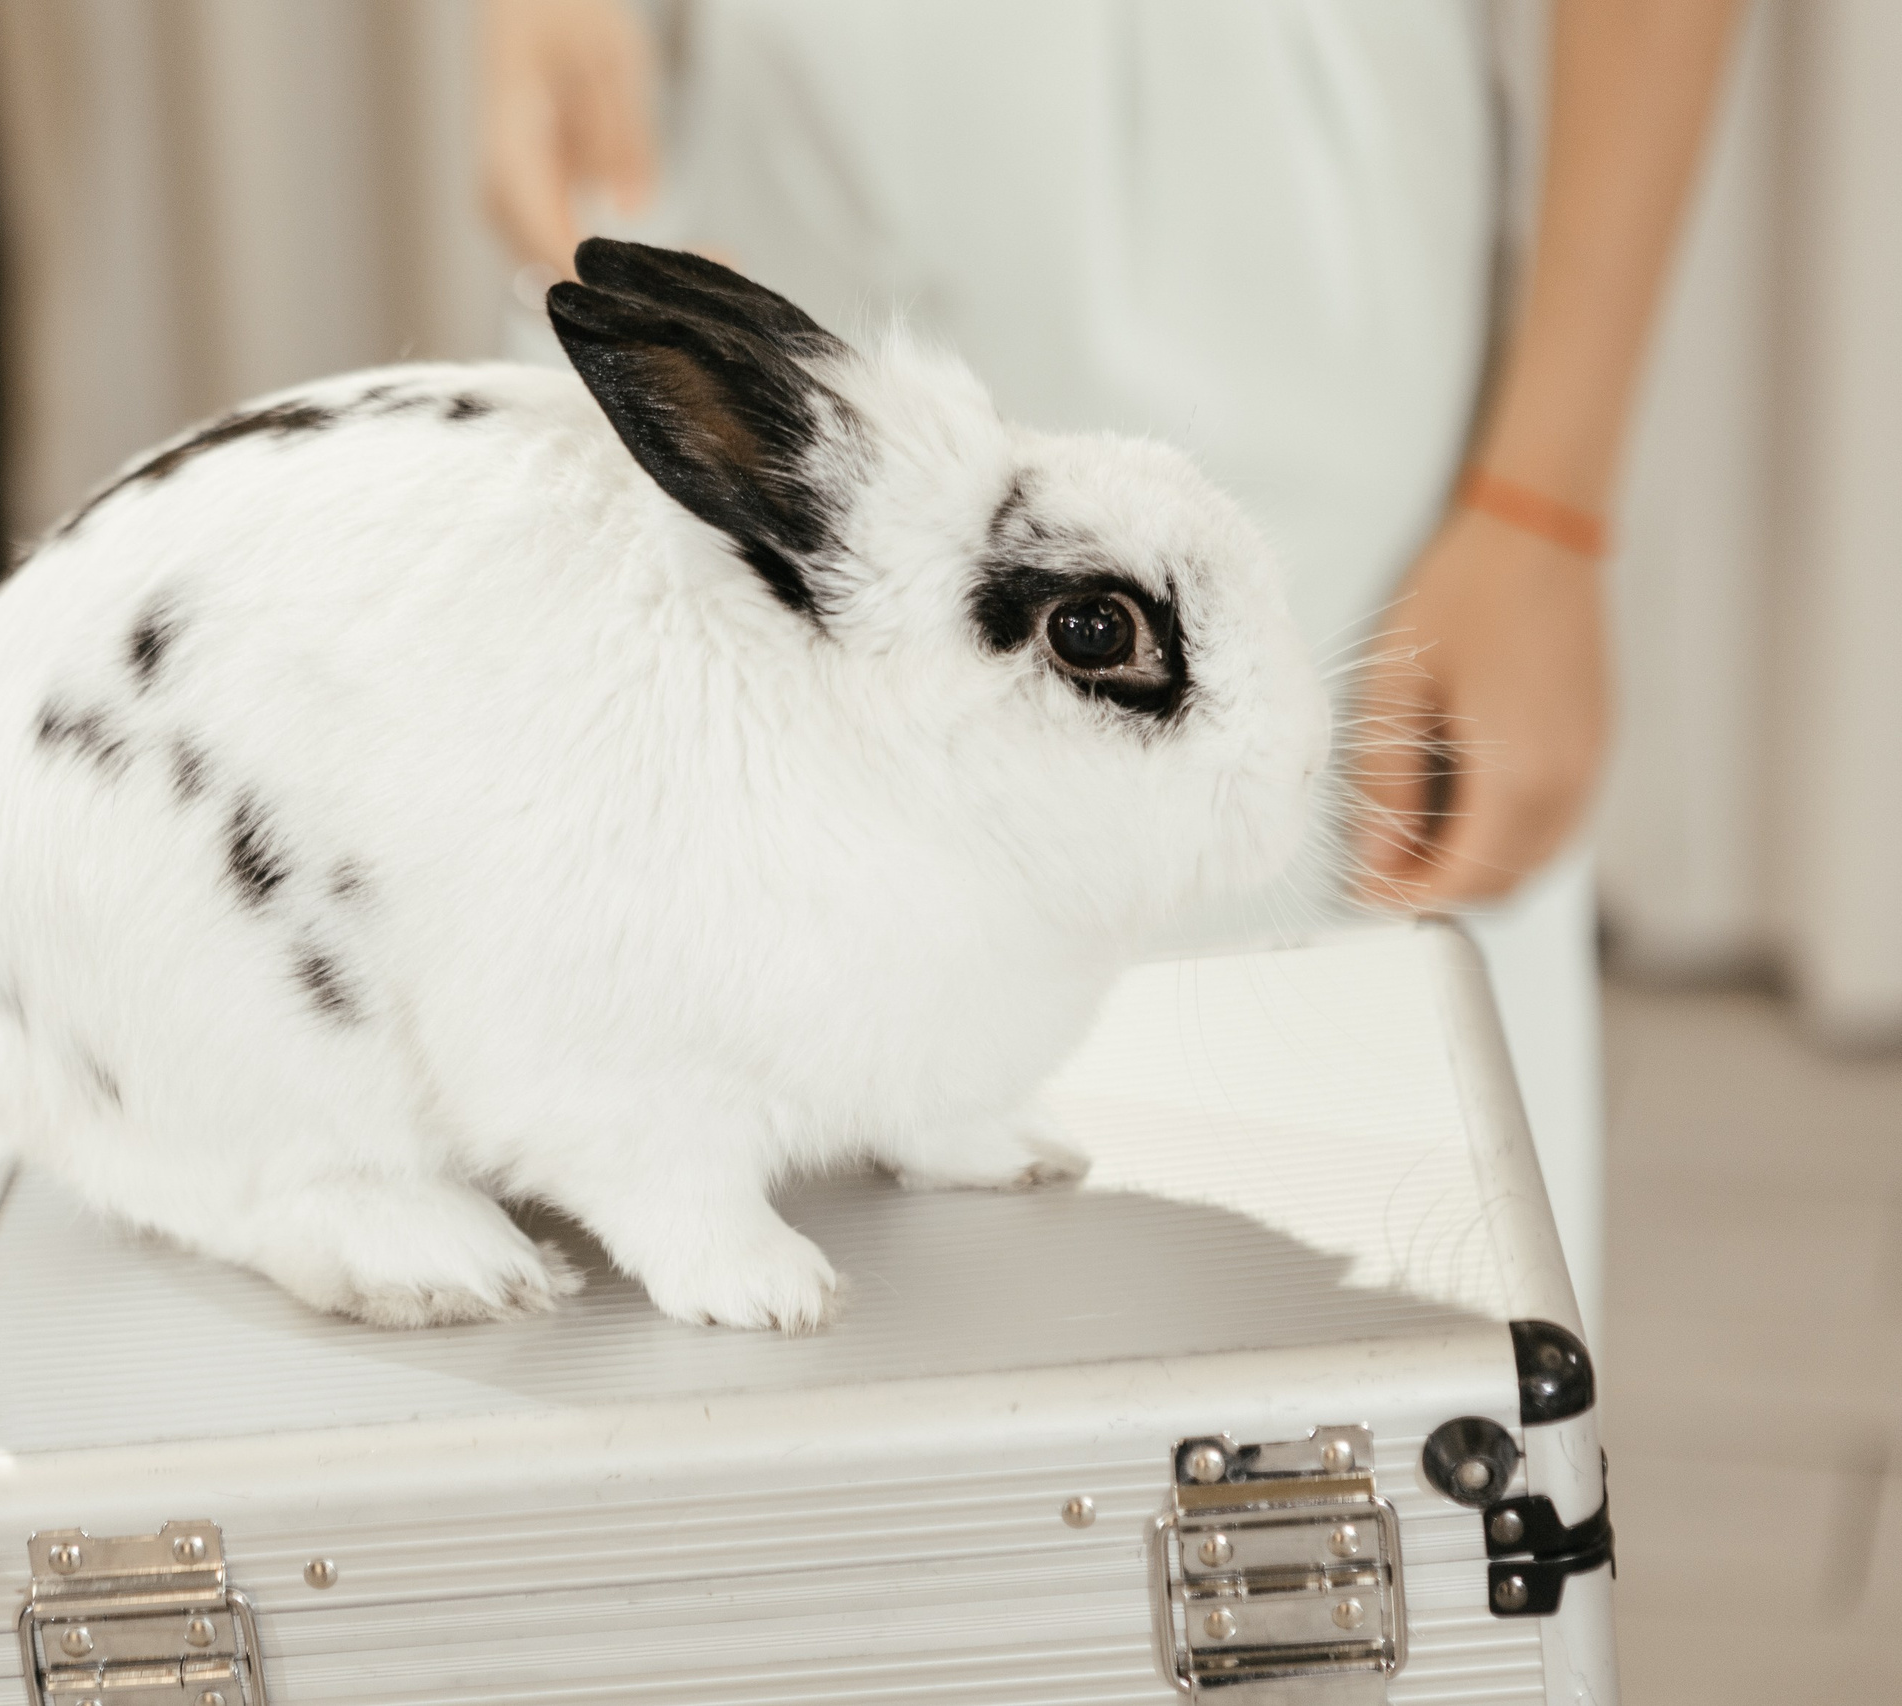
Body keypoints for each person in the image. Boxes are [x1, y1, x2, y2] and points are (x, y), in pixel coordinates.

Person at [480, 0, 1745, 1336]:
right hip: (784, 133)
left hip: (1262, 224)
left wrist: (1544, 508)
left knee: (1303, 1213)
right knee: (770, 1100)